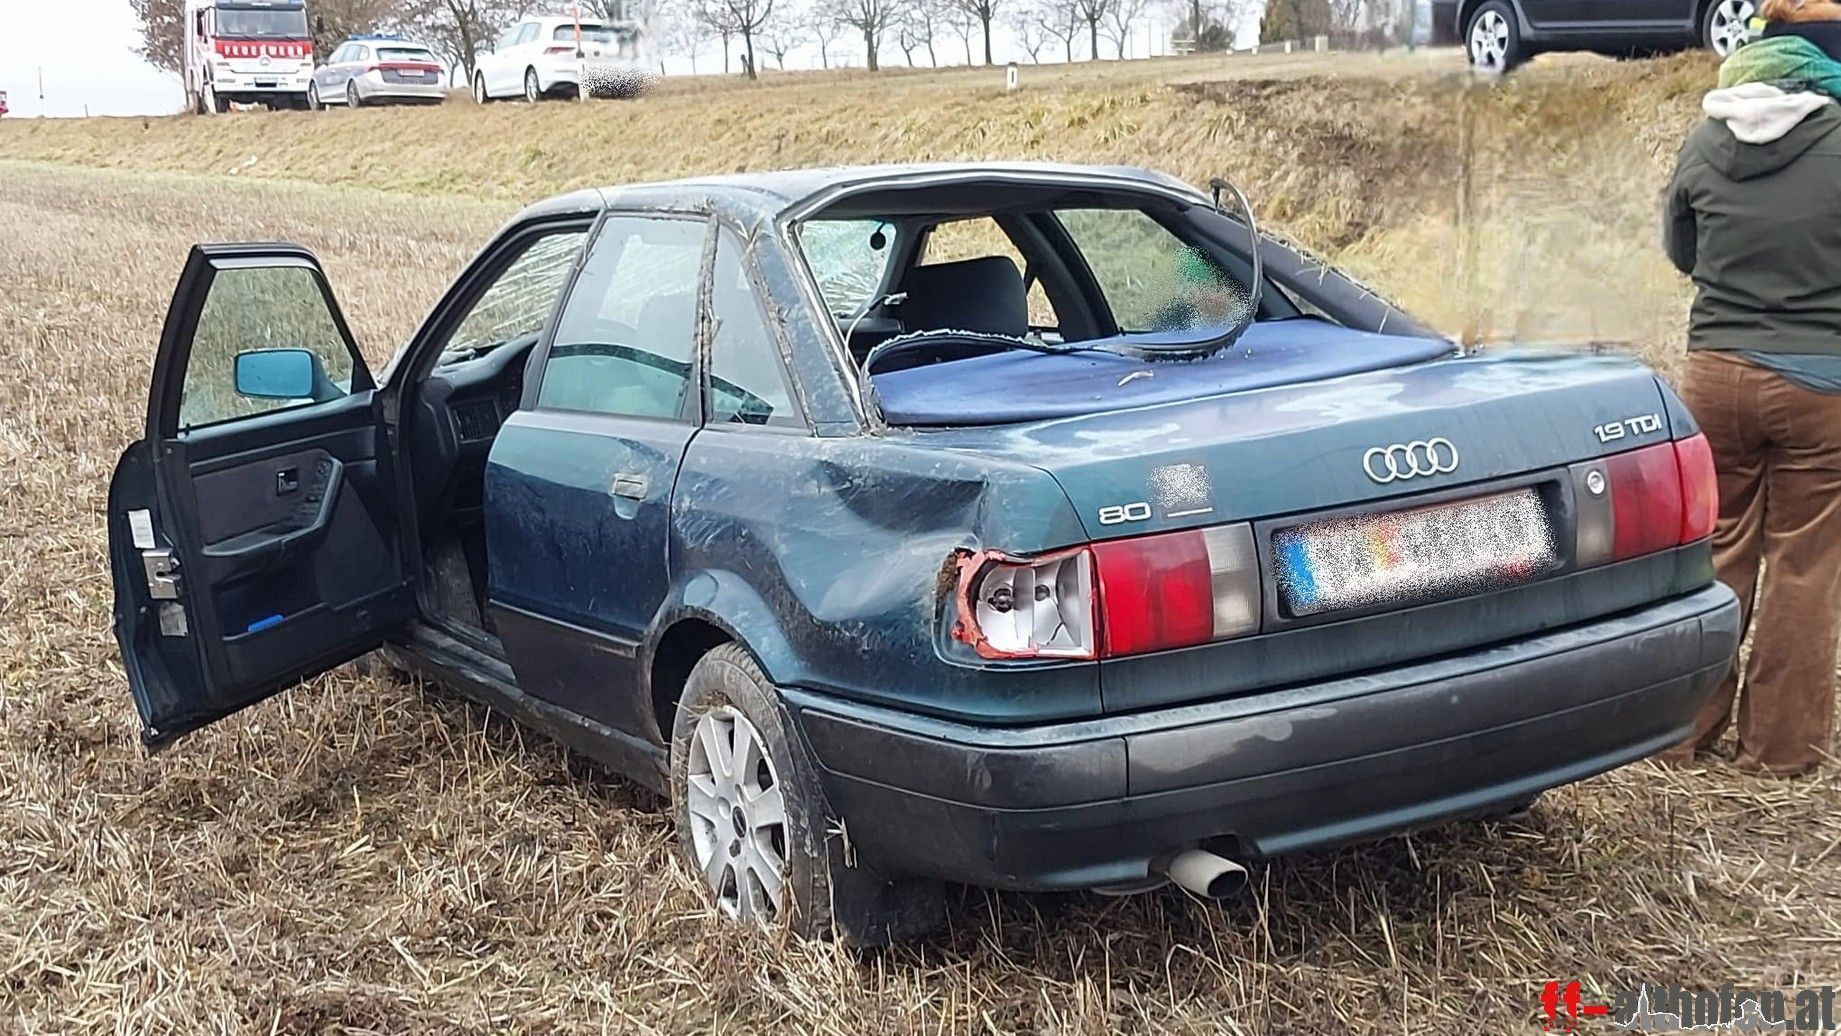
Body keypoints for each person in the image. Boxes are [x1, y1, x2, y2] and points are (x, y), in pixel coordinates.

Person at [1659, 5, 1841, 775]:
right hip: (1818, 380)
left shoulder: (1702, 141)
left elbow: (1680, 249)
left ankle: (1681, 734)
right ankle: (1778, 752)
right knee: (1804, 566)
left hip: (1715, 375)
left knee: (1714, 552)